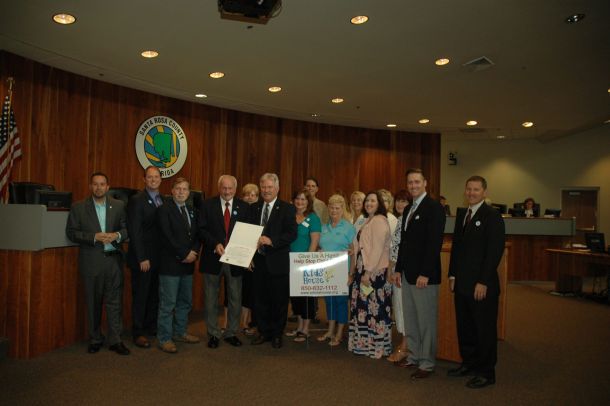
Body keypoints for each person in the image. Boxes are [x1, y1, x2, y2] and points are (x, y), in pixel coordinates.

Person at [448, 175, 505, 389]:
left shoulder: (492, 216)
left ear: (484, 192)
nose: (471, 193)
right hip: (462, 284)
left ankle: (486, 372)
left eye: (476, 189)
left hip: (482, 286)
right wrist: (452, 275)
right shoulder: (463, 214)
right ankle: (469, 364)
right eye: (469, 189)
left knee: (484, 330)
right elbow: (456, 248)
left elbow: (494, 251)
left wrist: (483, 281)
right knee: (466, 328)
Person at [66, 172, 130, 355]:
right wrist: (94, 237)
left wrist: (117, 235)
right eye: (95, 184)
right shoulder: (78, 207)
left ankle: (115, 340)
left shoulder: (118, 205)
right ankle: (95, 339)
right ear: (90, 186)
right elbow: (71, 232)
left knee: (115, 303)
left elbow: (127, 229)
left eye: (102, 184)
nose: (99, 187)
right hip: (92, 262)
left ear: (108, 187)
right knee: (93, 303)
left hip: (113, 262)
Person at [394, 168, 446, 379]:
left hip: (424, 276)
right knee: (411, 319)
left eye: (417, 182)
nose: (413, 185)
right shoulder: (409, 209)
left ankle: (426, 363)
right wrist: (398, 269)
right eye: (410, 182)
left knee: (426, 321)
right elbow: (404, 243)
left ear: (425, 183)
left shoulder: (434, 208)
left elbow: (434, 243)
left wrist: (425, 273)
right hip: (407, 274)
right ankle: (414, 356)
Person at [199, 175, 250, 349]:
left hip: (236, 260)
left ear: (235, 189)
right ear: (219, 187)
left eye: (230, 188)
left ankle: (231, 333)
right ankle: (213, 334)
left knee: (235, 298)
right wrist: (214, 244)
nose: (227, 191)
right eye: (224, 188)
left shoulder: (244, 207)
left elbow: (248, 233)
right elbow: (201, 230)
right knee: (211, 299)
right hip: (212, 257)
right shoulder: (207, 205)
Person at [250, 173, 297, 349]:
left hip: (278, 262)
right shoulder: (254, 208)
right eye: (263, 187)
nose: (266, 190)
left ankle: (277, 334)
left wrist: (272, 241)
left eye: (270, 187)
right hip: (258, 262)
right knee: (260, 300)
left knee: (279, 301)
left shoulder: (287, 208)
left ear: (277, 188)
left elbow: (291, 233)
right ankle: (263, 332)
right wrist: (247, 257)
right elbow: (247, 233)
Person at [156, 177, 201, 353]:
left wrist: (194, 252)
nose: (181, 192)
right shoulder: (164, 210)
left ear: (189, 193)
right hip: (170, 265)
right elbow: (166, 236)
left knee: (185, 302)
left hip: (188, 265)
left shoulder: (192, 210)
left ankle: (180, 332)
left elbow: (197, 235)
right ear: (172, 191)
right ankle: (164, 338)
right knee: (168, 304)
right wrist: (184, 254)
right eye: (178, 189)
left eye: (185, 189)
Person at [347, 191, 392, 359]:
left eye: (373, 201)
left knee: (374, 309)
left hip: (374, 271)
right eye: (367, 201)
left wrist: (368, 272)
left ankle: (376, 347)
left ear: (379, 203)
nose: (369, 203)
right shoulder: (367, 220)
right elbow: (363, 245)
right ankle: (363, 345)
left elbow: (377, 249)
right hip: (363, 269)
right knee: (363, 307)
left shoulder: (380, 220)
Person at [127, 166, 163, 349]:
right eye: (150, 177)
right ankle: (138, 332)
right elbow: (135, 231)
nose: (153, 180)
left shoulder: (163, 200)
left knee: (154, 295)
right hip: (143, 259)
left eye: (156, 177)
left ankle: (151, 326)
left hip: (158, 258)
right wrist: (142, 257)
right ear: (144, 179)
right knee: (141, 295)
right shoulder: (137, 200)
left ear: (161, 179)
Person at [317, 194, 355, 346]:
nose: (334, 211)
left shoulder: (348, 228)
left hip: (342, 271)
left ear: (342, 209)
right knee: (329, 301)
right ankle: (330, 330)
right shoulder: (324, 227)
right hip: (327, 272)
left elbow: (354, 253)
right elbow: (320, 247)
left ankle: (339, 333)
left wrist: (351, 273)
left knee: (340, 302)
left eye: (337, 208)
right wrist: (319, 251)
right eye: (331, 208)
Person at [286, 190, 321, 342]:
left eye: (303, 199)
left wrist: (306, 261)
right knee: (296, 297)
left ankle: (306, 329)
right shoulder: (290, 216)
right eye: (298, 198)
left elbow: (314, 242)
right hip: (290, 262)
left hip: (305, 263)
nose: (300, 202)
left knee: (307, 297)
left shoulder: (313, 218)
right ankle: (299, 327)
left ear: (308, 202)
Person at [388, 189, 410, 362]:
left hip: (403, 271)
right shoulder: (400, 220)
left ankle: (405, 345)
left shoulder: (407, 220)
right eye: (398, 201)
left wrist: (394, 269)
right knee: (399, 306)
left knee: (403, 308)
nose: (400, 204)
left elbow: (400, 249)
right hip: (396, 269)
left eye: (404, 201)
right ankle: (405, 341)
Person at [240, 183, 259, 336]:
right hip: (241, 257)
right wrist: (246, 258)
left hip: (257, 258)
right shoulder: (239, 213)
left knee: (255, 292)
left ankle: (252, 322)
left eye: (254, 195)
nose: (250, 197)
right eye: (247, 194)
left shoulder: (260, 213)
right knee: (244, 292)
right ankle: (243, 323)